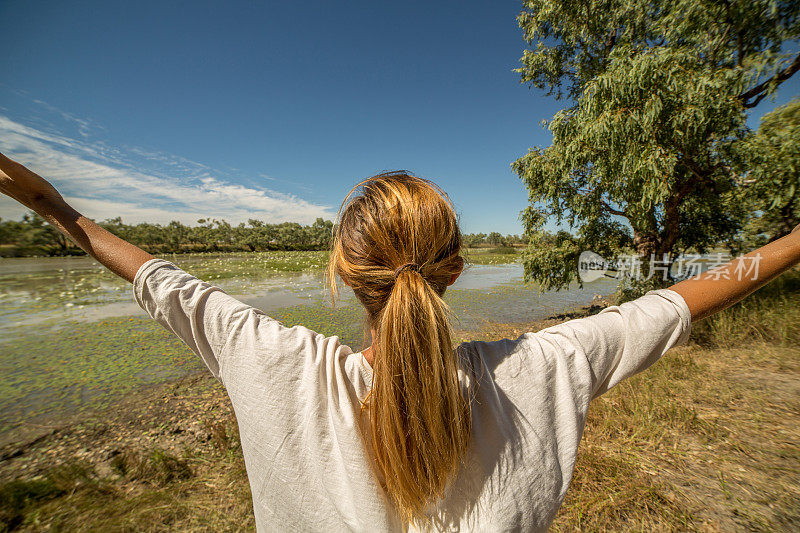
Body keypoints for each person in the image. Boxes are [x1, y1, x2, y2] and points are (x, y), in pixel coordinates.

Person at [1, 152, 798, 532]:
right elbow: (679, 300)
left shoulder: (269, 360)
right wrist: (793, 241)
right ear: (454, 269)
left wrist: (53, 206)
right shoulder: (545, 370)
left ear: (343, 272)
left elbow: (160, 278)